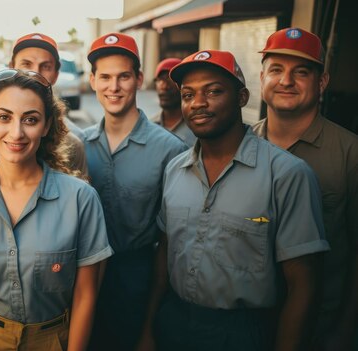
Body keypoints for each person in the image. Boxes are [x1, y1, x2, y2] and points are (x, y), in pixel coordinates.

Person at [143, 49, 329, 351]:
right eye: (188, 95)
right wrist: (149, 330)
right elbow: (165, 253)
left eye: (213, 91)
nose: (198, 103)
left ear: (242, 97)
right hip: (174, 321)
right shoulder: (175, 170)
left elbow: (303, 284)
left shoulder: (287, 174)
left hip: (245, 333)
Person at [0, 69, 113, 350]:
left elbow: (85, 295)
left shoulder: (81, 199)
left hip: (53, 340)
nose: (16, 133)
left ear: (46, 126)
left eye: (30, 119)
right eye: (5, 117)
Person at [253, 27, 358, 350]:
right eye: (276, 70)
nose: (286, 81)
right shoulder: (241, 146)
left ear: (322, 82)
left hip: (320, 329)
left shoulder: (349, 153)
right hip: (247, 324)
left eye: (301, 72)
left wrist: (344, 331)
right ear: (261, 78)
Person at [82, 33, 188, 351]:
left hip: (138, 282)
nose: (114, 87)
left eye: (123, 76)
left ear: (139, 79)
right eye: (105, 77)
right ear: (92, 81)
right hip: (82, 279)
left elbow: (172, 239)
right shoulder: (77, 146)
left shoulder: (171, 150)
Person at [9, 33, 88, 175]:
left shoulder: (73, 142)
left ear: (56, 75)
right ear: (12, 68)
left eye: (45, 67)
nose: (35, 74)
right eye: (26, 64)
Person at [150, 58, 196, 147]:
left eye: (170, 80)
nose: (164, 86)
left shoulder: (198, 125)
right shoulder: (149, 126)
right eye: (159, 80)